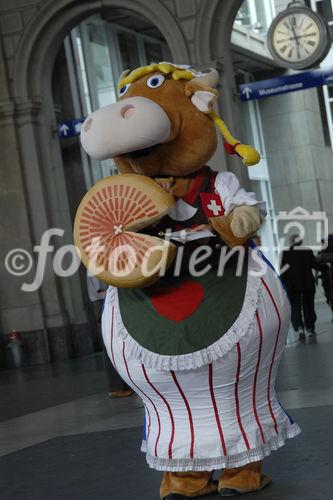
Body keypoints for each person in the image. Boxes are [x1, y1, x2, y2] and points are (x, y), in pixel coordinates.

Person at [86, 272, 133, 398]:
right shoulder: (96, 262)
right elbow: (101, 290)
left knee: (115, 343)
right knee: (110, 344)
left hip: (106, 300)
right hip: (104, 302)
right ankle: (116, 387)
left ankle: (122, 385)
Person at [281, 234, 318, 341]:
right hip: (307, 284)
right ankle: (310, 329)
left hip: (292, 286)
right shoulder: (307, 251)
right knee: (308, 306)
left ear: (291, 242)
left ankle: (300, 328)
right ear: (301, 242)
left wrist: (283, 285)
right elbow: (315, 265)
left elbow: (283, 271)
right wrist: (326, 267)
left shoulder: (286, 253)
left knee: (295, 307)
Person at [316, 234, 333, 321]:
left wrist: (315, 277)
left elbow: (316, 266)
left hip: (326, 280)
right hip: (327, 279)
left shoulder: (321, 253)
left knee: (329, 298)